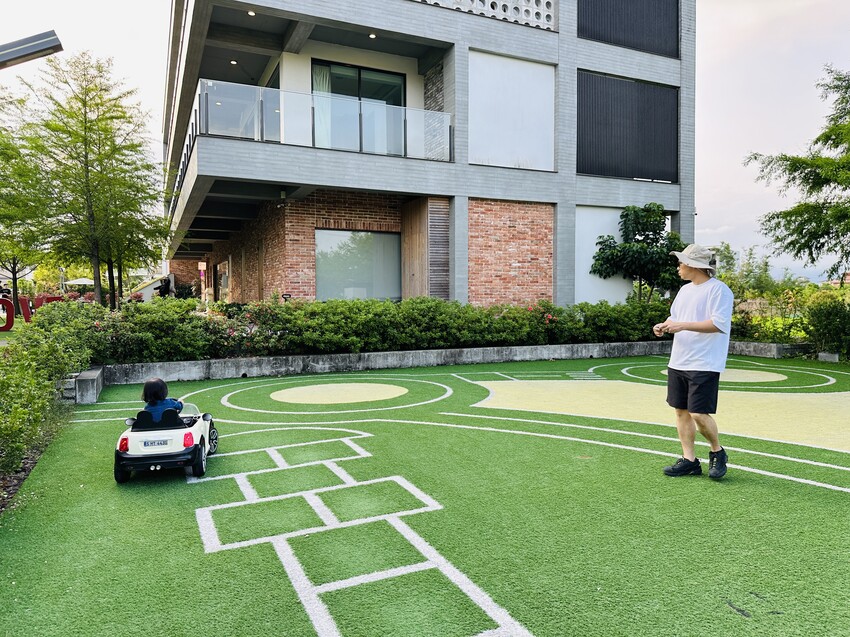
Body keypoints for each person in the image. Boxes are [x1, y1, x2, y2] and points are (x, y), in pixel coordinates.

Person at [653, 244, 733, 480]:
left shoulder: (719, 291)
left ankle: (717, 452)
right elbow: (675, 318)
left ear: (694, 265)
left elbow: (718, 324)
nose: (678, 267)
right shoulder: (685, 291)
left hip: (704, 362)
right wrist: (664, 325)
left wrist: (682, 325)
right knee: (681, 411)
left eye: (681, 263)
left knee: (698, 413)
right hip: (679, 360)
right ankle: (689, 460)